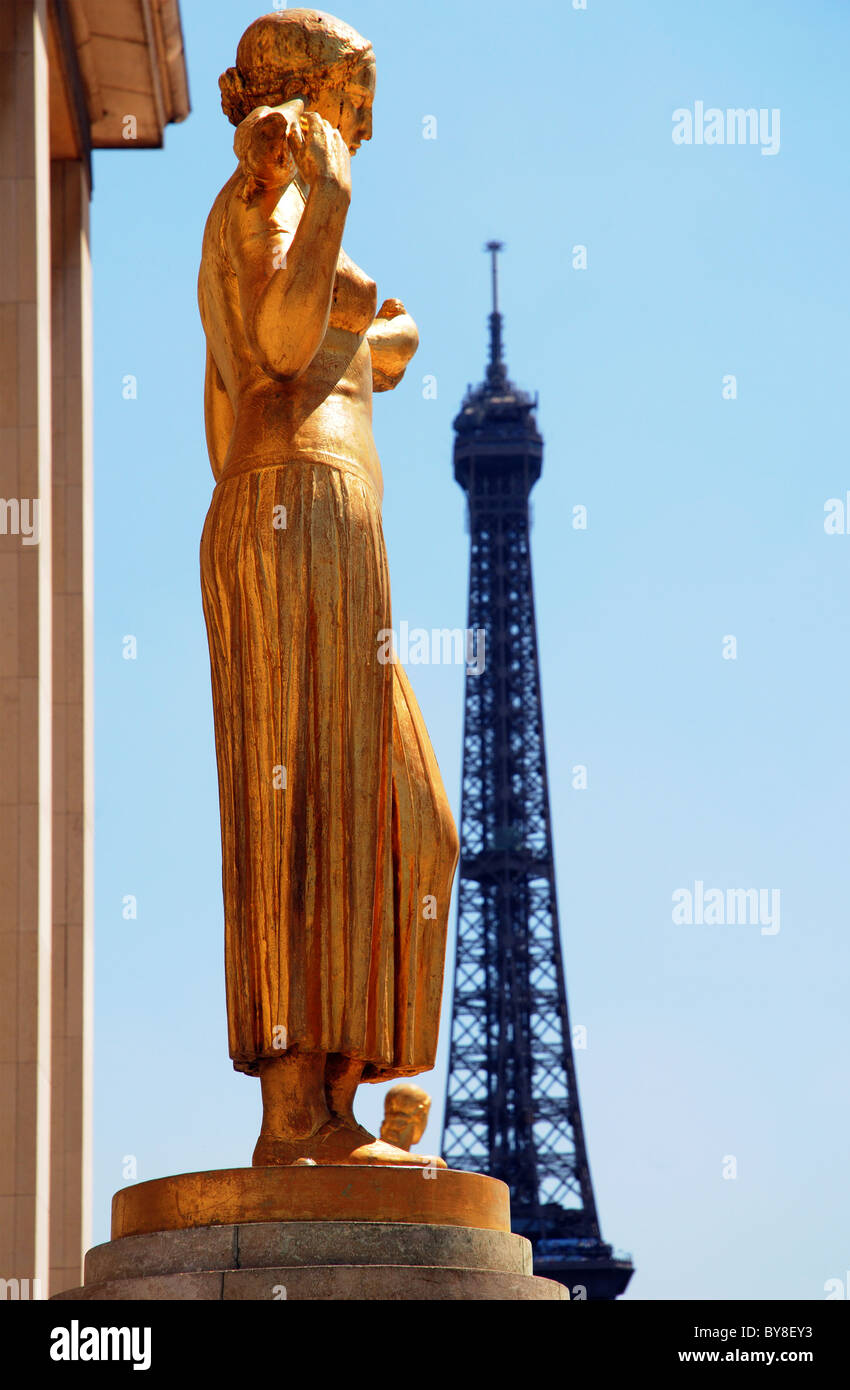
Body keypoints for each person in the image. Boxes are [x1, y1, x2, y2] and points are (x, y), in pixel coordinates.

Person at [198, 9, 458, 1166]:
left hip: (335, 513)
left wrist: (371, 320)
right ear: (311, 98)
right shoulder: (266, 197)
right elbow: (291, 335)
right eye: (358, 95)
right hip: (287, 503)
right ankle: (295, 1112)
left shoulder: (290, 210)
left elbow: (389, 341)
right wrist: (334, 204)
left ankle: (341, 1085)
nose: (368, 120)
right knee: (298, 801)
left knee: (409, 818)